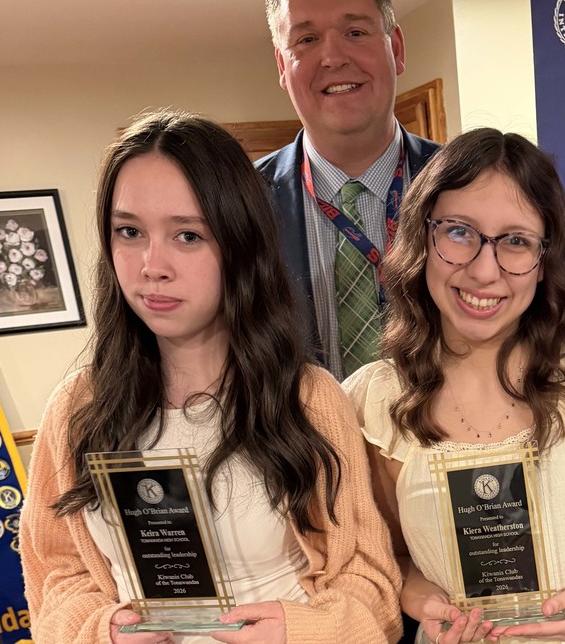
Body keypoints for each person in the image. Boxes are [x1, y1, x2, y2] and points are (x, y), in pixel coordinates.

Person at [21, 111, 402, 644]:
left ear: (239, 244)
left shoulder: (308, 398)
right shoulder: (76, 407)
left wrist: (302, 630)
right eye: (129, 232)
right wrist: (100, 630)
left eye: (187, 235)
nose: (152, 265)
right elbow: (56, 575)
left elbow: (370, 578)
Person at [345, 128, 565, 644]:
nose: (483, 271)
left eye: (516, 241)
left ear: (545, 260)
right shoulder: (377, 401)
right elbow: (394, 554)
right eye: (458, 232)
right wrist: (422, 600)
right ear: (422, 238)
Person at [256, 0, 439, 381]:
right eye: (306, 39)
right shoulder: (238, 203)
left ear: (396, 48)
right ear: (282, 66)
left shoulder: (471, 186)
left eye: (355, 32)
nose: (333, 57)